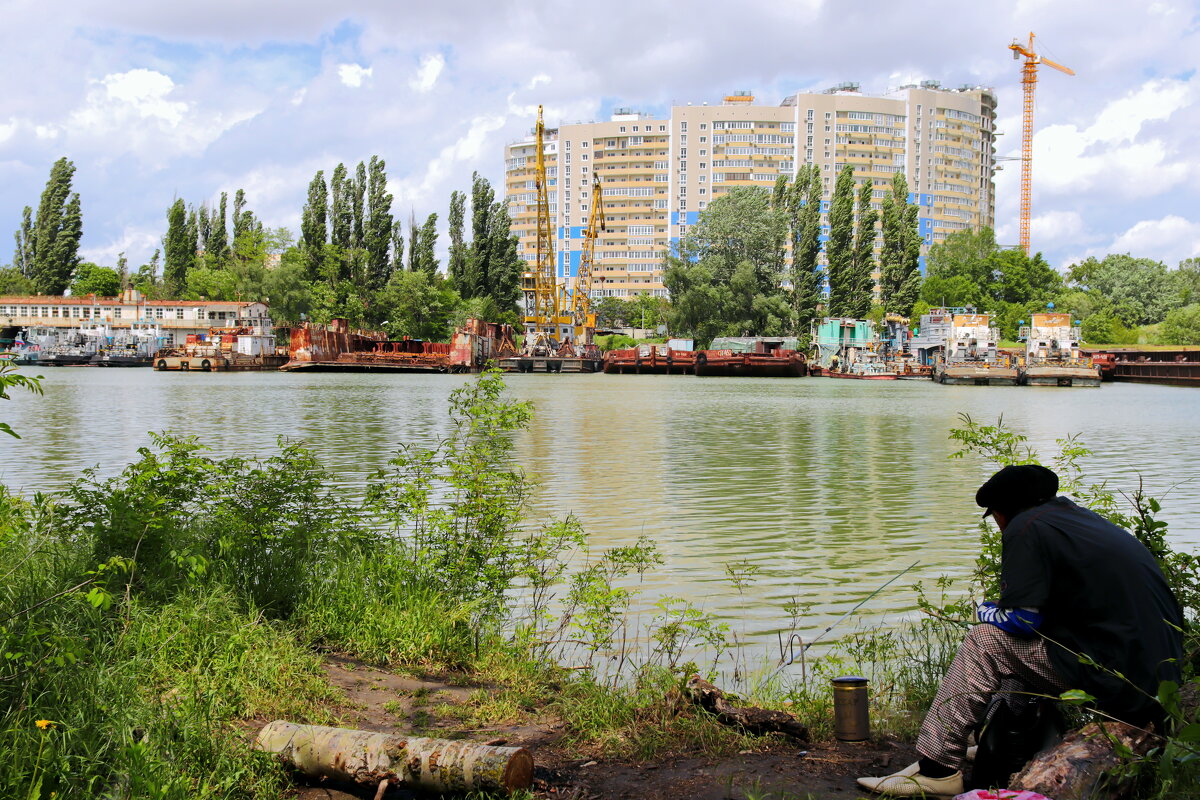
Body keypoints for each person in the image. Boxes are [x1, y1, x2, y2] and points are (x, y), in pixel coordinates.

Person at [858, 464, 1184, 797]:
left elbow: (1023, 621)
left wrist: (985, 609)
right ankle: (1004, 741)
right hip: (1157, 681)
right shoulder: (1080, 521)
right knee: (1019, 647)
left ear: (1002, 511)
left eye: (994, 516)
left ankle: (937, 769)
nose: (998, 525)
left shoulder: (1026, 527)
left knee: (985, 641)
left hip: (1120, 681)